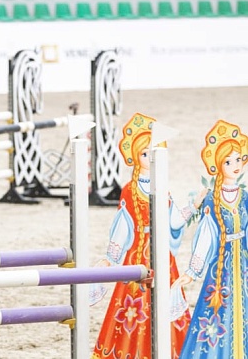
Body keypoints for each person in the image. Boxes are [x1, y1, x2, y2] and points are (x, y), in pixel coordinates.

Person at [91, 112, 195, 359]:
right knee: (132, 305)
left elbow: (174, 221)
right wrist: (111, 257)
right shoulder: (129, 190)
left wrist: (193, 205)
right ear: (137, 157)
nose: (149, 157)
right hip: (137, 256)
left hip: (163, 260)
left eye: (153, 152)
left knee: (165, 302)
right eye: (144, 153)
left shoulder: (163, 188)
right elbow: (122, 226)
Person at [173, 119, 248, 358]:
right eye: (228, 161)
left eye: (238, 159)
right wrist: (192, 272)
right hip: (221, 272)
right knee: (217, 313)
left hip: (244, 268)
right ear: (218, 164)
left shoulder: (245, 197)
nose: (235, 165)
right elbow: (206, 237)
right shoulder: (211, 201)